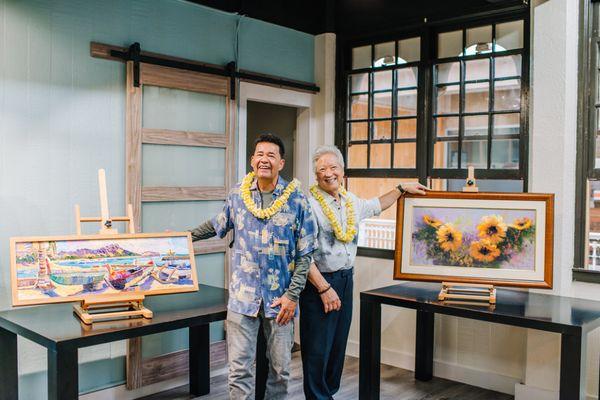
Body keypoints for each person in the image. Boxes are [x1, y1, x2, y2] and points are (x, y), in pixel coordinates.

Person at [189, 133, 317, 400]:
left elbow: (306, 254)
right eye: (260, 154)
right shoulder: (238, 194)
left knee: (280, 371)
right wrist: (181, 238)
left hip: (280, 301)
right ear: (252, 161)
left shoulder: (297, 200)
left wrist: (292, 296)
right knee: (238, 371)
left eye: (271, 155)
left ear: (281, 163)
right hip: (242, 298)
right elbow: (216, 224)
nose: (264, 160)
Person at [300, 145, 427, 400]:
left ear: (342, 171)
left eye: (333, 167)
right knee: (317, 350)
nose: (328, 173)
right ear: (316, 176)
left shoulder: (350, 202)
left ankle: (329, 394)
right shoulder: (308, 206)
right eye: (322, 169)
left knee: (337, 347)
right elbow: (301, 255)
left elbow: (376, 205)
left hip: (346, 279)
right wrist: (324, 288)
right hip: (320, 283)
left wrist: (402, 189)